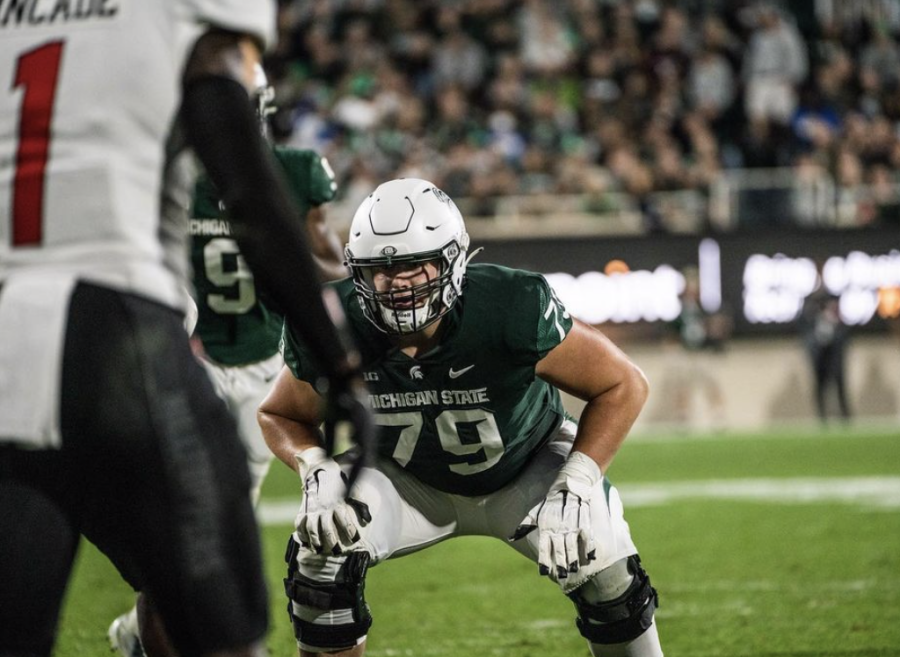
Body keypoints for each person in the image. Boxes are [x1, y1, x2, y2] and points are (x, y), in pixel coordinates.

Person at [0, 3, 371, 657]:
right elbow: (243, 172)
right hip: (118, 325)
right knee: (221, 623)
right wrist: (337, 359)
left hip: (9, 328)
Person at [259, 178, 663, 657]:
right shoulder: (335, 318)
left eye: (414, 264)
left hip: (524, 469)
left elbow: (623, 384)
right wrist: (314, 466)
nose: (398, 282)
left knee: (602, 560)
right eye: (380, 269)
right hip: (403, 479)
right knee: (320, 553)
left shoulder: (507, 305)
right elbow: (279, 414)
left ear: (453, 258)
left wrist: (577, 478)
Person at [109, 85, 349, 657]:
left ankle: (137, 633)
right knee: (184, 525)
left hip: (265, 367)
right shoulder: (163, 177)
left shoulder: (293, 172)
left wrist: (275, 247)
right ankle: (155, 628)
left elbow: (335, 264)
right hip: (191, 361)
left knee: (224, 524)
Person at [799, 279, 851, 423]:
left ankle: (845, 417)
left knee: (839, 382)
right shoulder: (809, 303)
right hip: (818, 351)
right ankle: (822, 418)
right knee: (820, 384)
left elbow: (844, 325)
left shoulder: (834, 301)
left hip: (834, 349)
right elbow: (803, 325)